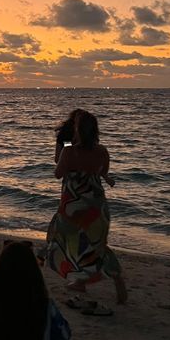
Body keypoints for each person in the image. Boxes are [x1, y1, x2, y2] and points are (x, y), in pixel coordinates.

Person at [46, 110, 127, 305]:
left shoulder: (68, 150)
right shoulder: (102, 151)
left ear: (76, 130)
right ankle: (113, 279)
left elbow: (58, 173)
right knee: (98, 245)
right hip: (97, 206)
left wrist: (68, 151)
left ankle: (78, 279)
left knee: (64, 240)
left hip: (73, 206)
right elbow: (103, 172)